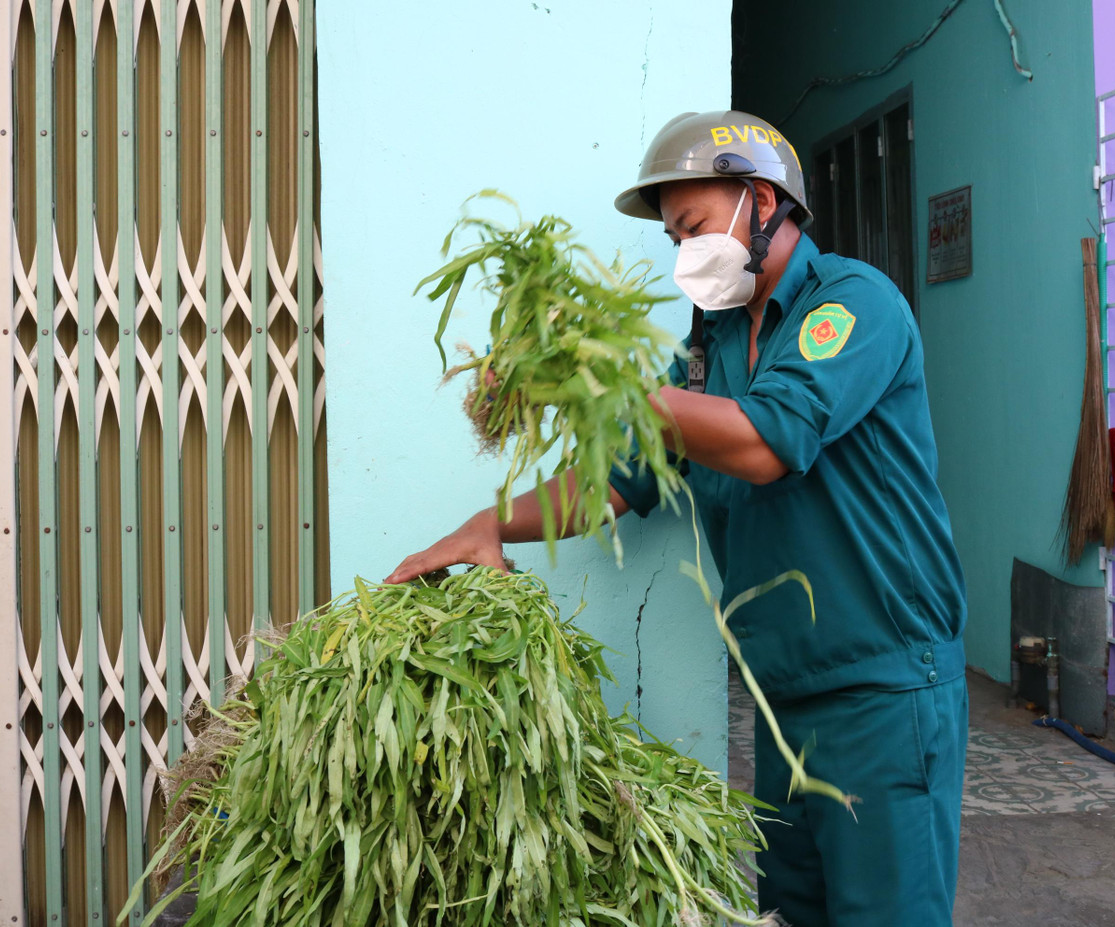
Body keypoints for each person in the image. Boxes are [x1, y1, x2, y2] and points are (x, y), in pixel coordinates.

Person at [387, 109, 969, 927]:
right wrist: (489, 525)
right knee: (794, 912)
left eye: (694, 226)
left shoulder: (853, 305)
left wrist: (606, 381)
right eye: (674, 239)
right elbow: (615, 478)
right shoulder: (709, 349)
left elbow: (772, 439)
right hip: (783, 702)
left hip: (882, 690)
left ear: (760, 200)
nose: (686, 252)